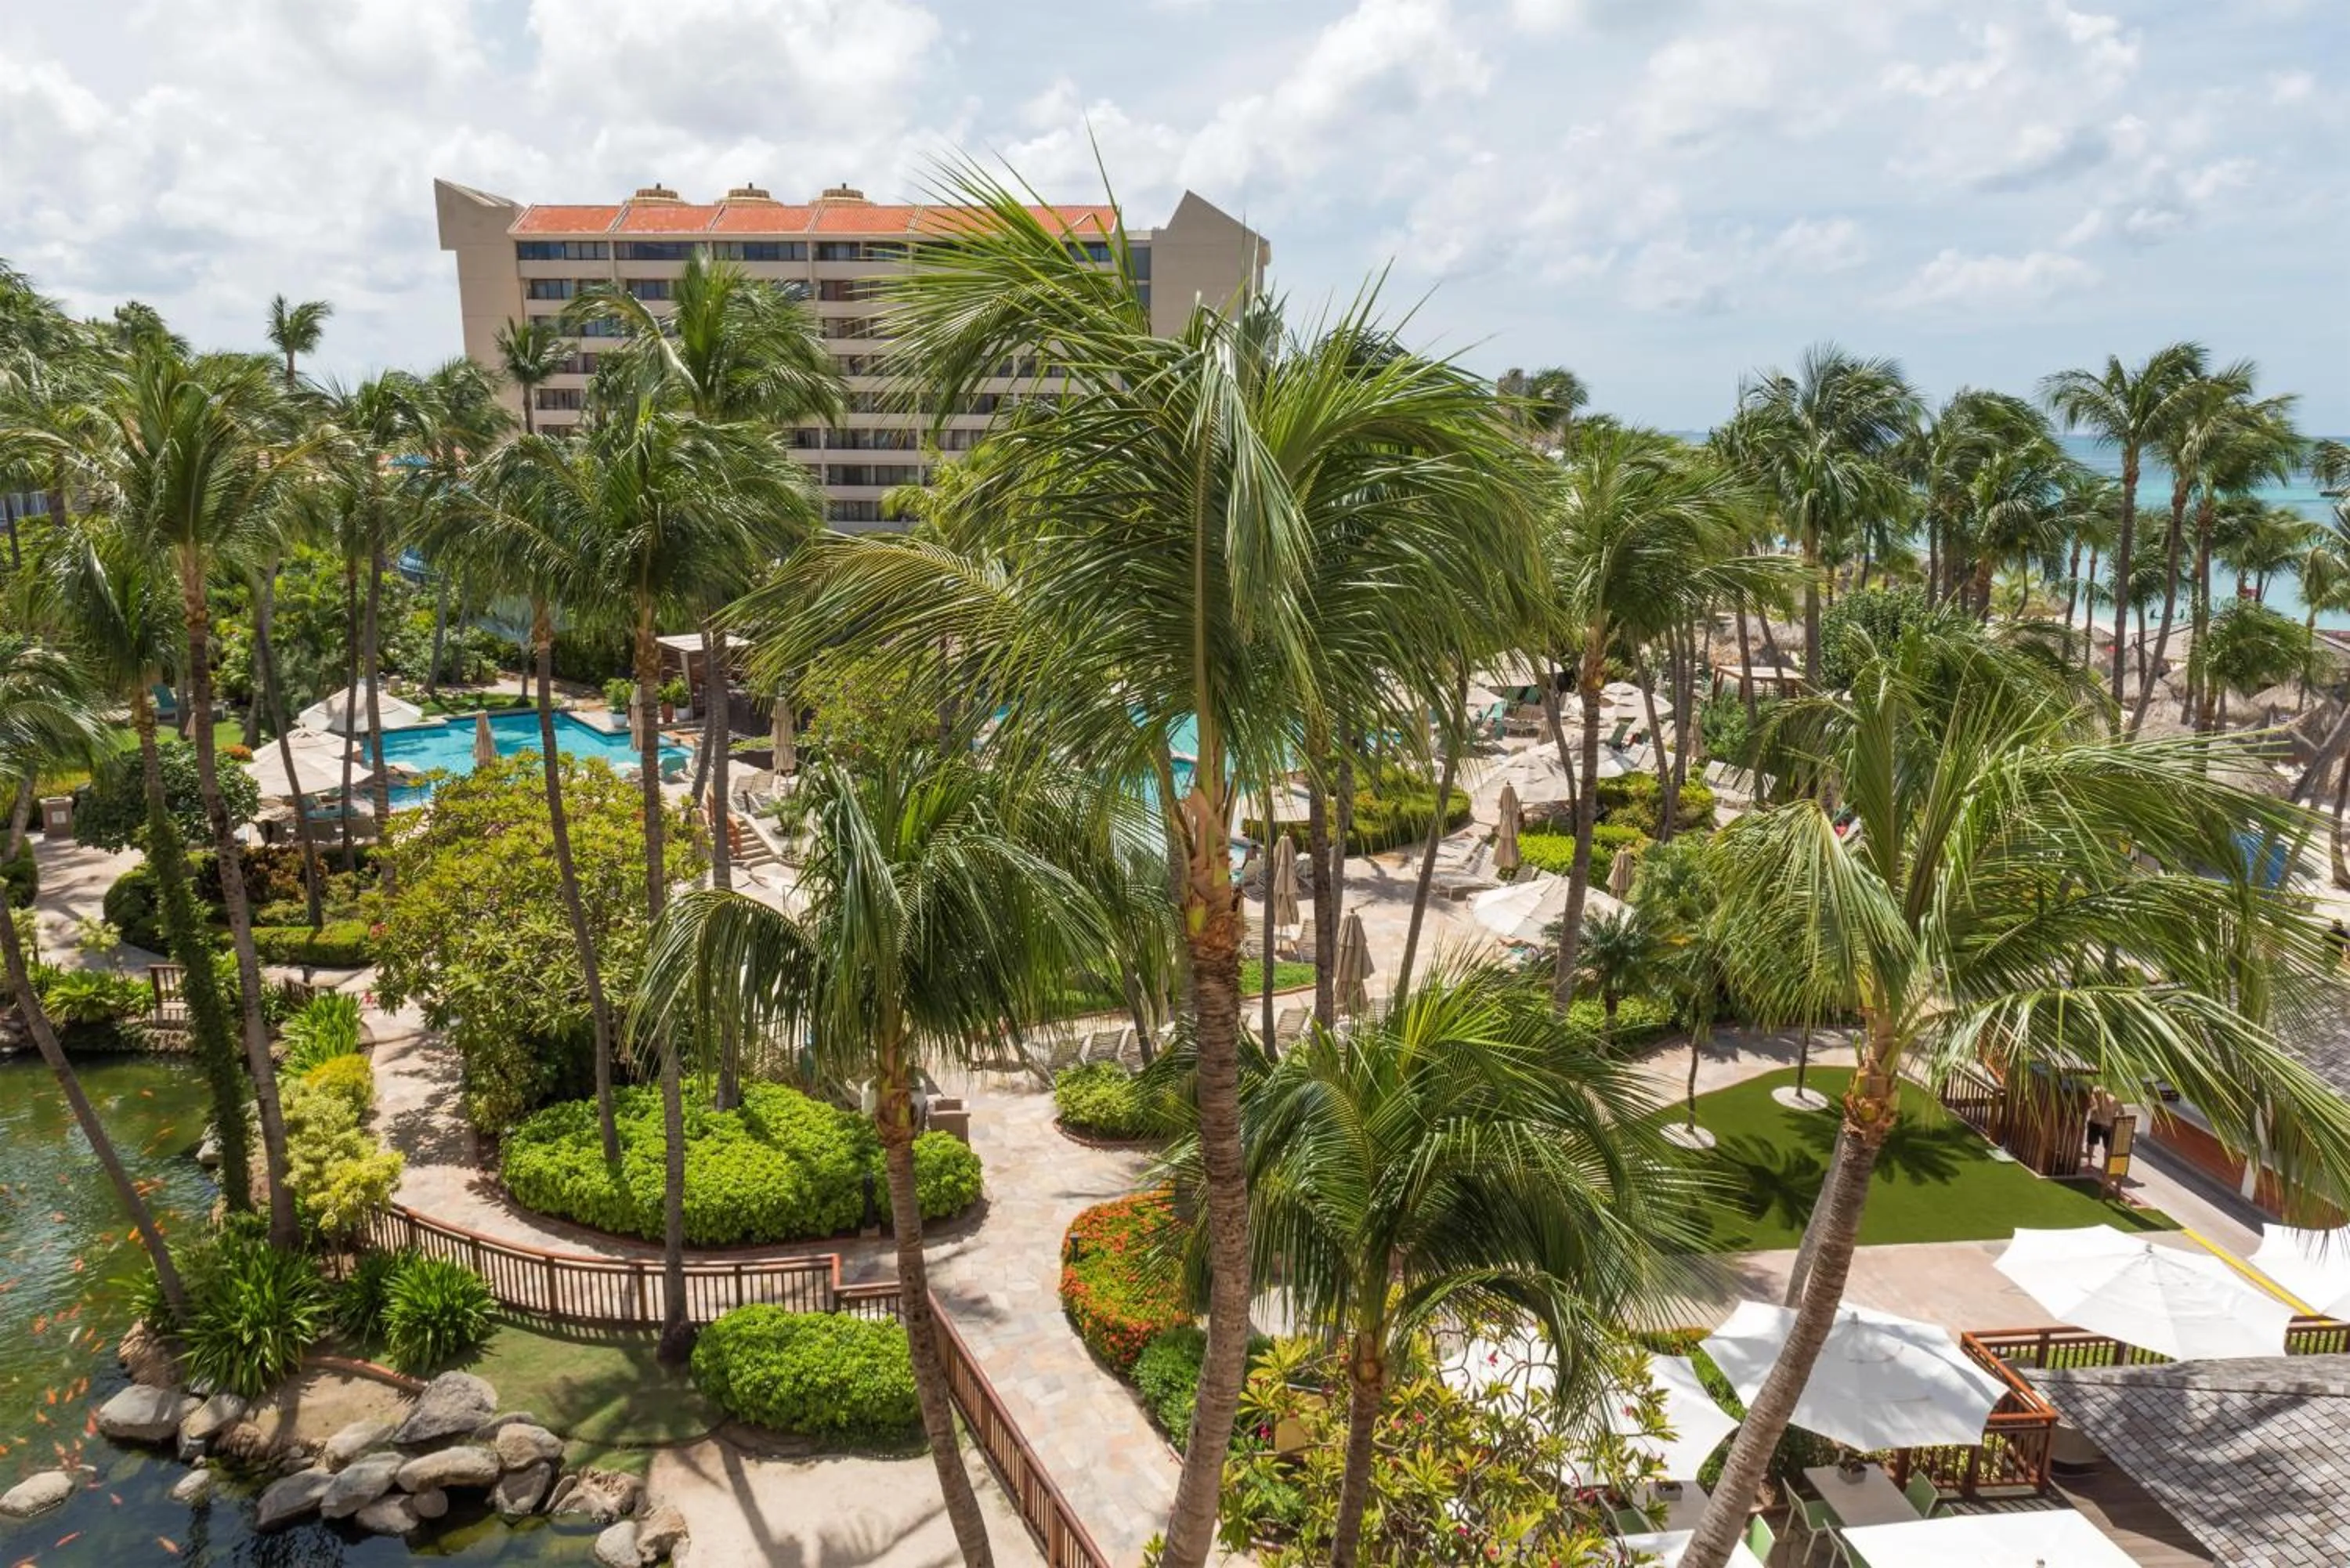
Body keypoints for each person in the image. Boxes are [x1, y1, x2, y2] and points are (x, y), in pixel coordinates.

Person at [2086, 1086, 2122, 1167]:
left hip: (2108, 1126)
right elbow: (2088, 1107)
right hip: (2095, 1123)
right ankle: (2089, 1163)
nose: (2095, 1096)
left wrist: (2117, 1123)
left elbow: (2122, 1112)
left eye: (2097, 1094)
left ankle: (2105, 1165)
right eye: (2095, 1094)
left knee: (2108, 1147)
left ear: (2104, 1094)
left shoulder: (2114, 1101)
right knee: (2091, 1144)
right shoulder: (2094, 1099)